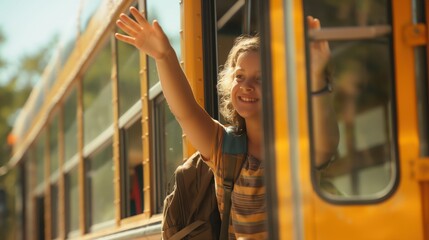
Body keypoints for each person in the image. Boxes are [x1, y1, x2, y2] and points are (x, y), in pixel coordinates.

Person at [115, 7, 339, 239]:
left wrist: (316, 80)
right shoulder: (225, 148)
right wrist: (165, 56)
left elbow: (326, 146)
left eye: (260, 78)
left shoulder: (296, 145)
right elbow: (186, 113)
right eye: (239, 76)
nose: (247, 85)